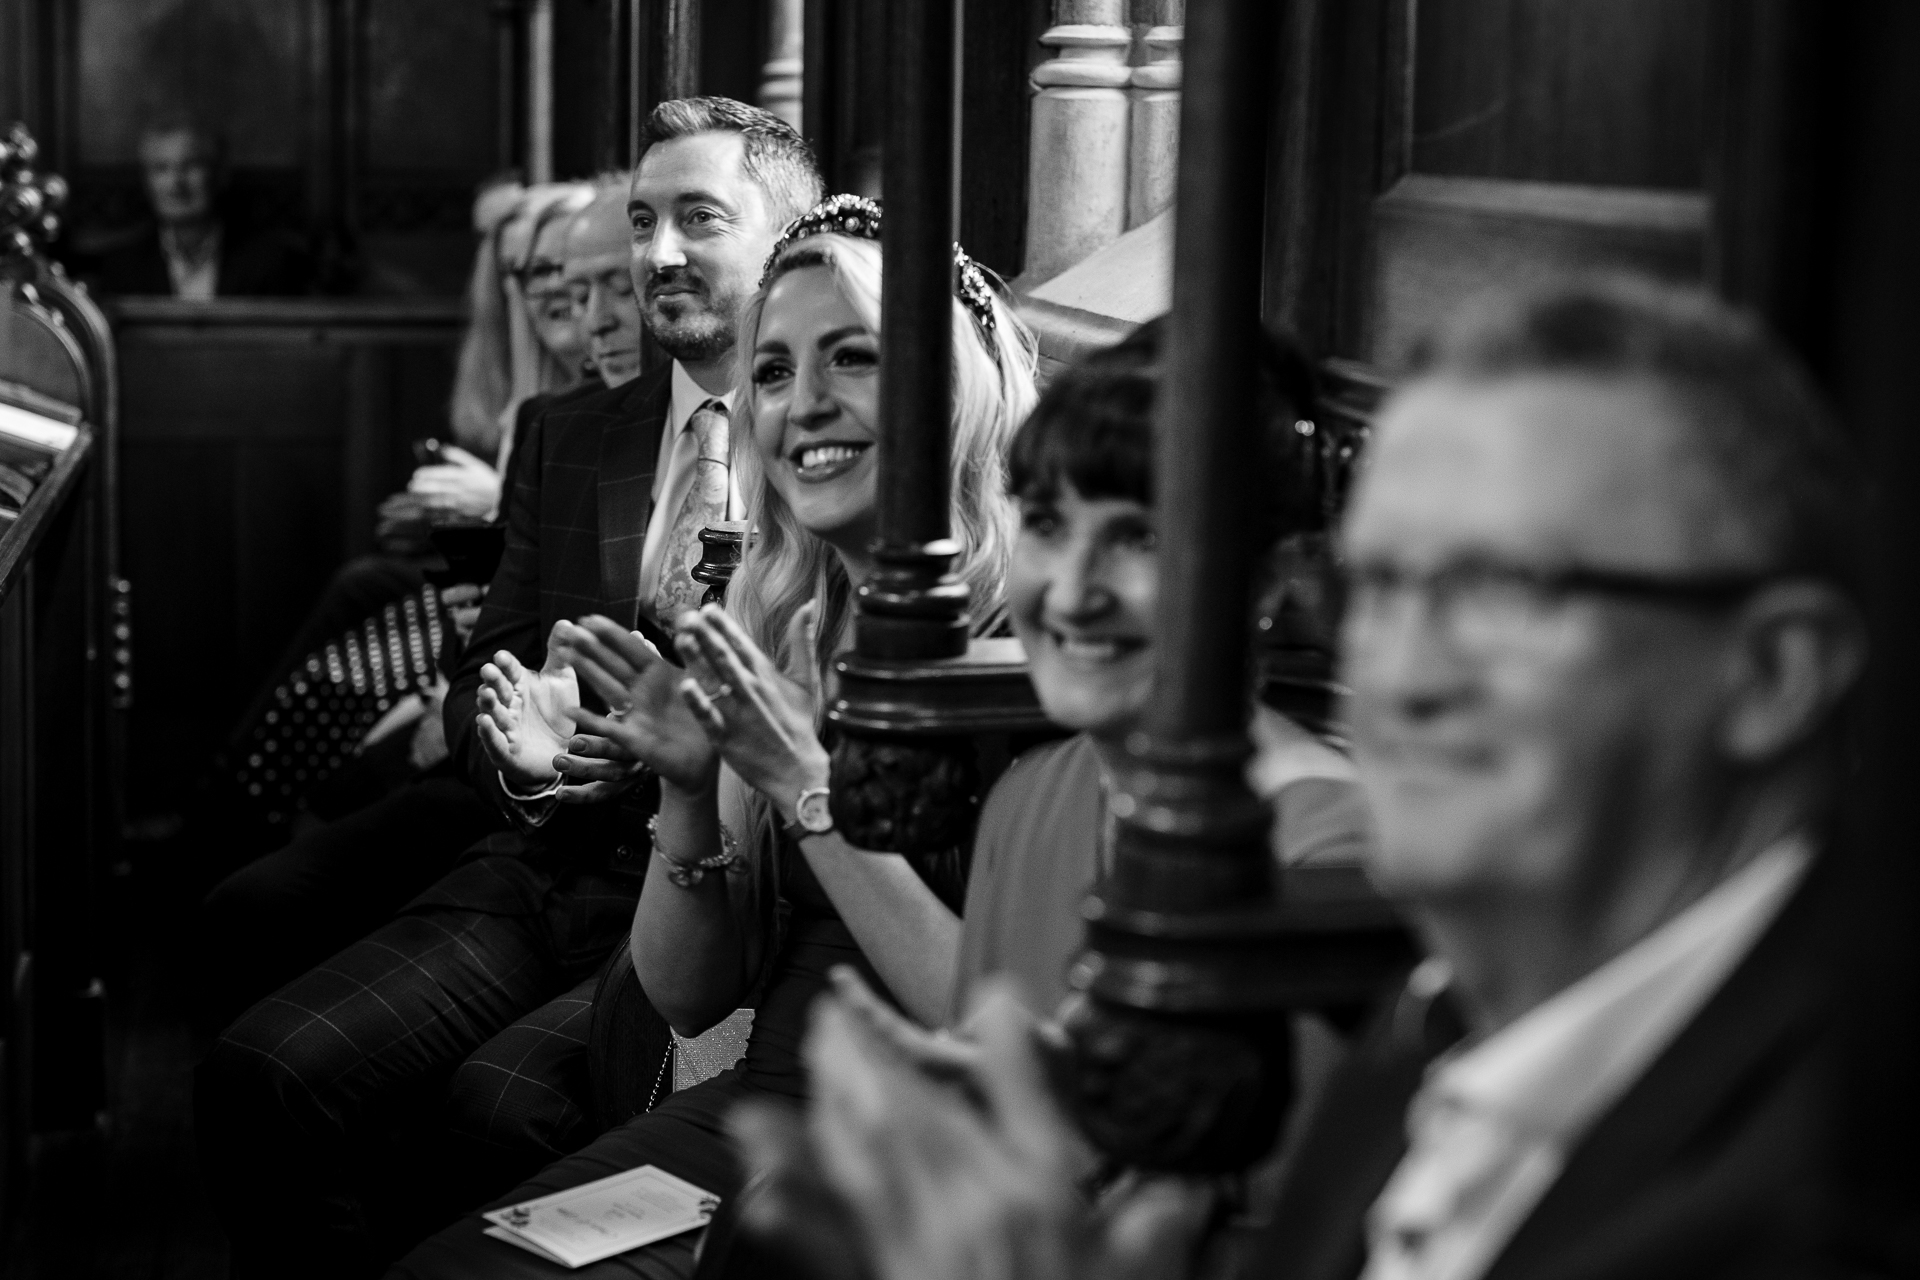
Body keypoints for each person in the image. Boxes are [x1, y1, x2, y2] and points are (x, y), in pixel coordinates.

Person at [736, 276, 1880, 1280]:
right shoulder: (1429, 1039)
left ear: (1774, 671)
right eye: (1381, 585)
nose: (1405, 670)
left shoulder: (1824, 1202)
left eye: (1502, 585)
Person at [195, 97, 823, 1280]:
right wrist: (520, 759)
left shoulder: (825, 436)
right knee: (263, 1072)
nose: (658, 254)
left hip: (713, 893)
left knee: (500, 1106)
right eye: (644, 222)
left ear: (785, 243)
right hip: (548, 864)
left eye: (699, 218)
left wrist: (673, 760)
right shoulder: (567, 430)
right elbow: (476, 676)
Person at [386, 194, 1038, 1280]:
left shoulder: (1031, 633)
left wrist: (803, 788)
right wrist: (687, 789)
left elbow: (997, 1025)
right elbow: (694, 992)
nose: (803, 406)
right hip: (757, 1119)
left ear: (951, 382)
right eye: (773, 372)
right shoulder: (779, 617)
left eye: (854, 358)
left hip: (939, 1157)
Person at [192, 182, 645, 1031]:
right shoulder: (556, 419)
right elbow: (490, 646)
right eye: (542, 281)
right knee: (353, 628)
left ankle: (229, 826)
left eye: (605, 284)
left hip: (564, 792)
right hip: (505, 740)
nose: (584, 312)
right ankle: (222, 817)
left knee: (331, 793)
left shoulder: (624, 423)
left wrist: (467, 713)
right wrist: (472, 695)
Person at [90, 121, 310, 297]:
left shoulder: (270, 262)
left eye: (191, 165)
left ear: (220, 175)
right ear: (146, 182)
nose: (176, 183)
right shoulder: (121, 266)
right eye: (161, 169)